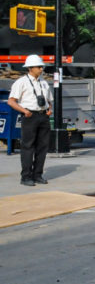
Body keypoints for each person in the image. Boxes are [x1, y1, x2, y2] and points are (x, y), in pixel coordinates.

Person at [7, 54, 53, 186]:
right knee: (28, 146)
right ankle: (26, 176)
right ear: (30, 68)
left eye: (42, 66)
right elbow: (11, 101)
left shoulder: (43, 82)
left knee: (42, 147)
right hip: (30, 116)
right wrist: (24, 111)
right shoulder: (21, 82)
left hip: (43, 116)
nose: (41, 69)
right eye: (39, 66)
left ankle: (37, 174)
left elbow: (49, 100)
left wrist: (50, 109)